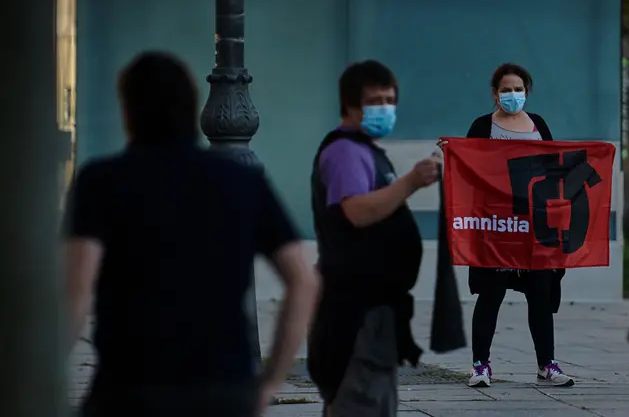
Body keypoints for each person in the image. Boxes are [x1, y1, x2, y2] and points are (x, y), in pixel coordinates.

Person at [63, 51, 319, 417]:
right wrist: (269, 382)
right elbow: (302, 281)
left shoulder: (102, 181)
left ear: (128, 111)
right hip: (223, 387)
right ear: (193, 108)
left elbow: (76, 290)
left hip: (130, 386)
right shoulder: (241, 181)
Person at [307, 60, 440, 416]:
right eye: (376, 101)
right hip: (355, 313)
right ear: (350, 106)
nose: (385, 108)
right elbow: (357, 211)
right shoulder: (345, 151)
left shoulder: (367, 151)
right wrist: (410, 183)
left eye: (390, 100)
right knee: (359, 402)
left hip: (374, 309)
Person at [437, 63, 574, 388]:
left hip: (534, 225)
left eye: (518, 89)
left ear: (527, 92)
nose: (513, 95)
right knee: (491, 293)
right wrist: (452, 154)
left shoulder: (538, 124)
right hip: (497, 225)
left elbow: (553, 170)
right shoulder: (483, 126)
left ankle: (547, 364)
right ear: (495, 93)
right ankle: (480, 365)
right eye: (506, 89)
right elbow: (468, 170)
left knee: (540, 293)